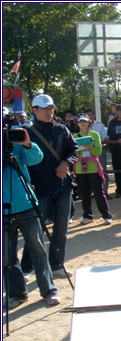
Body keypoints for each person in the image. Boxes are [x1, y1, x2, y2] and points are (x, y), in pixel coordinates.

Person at [3, 124, 61, 307]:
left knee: (38, 249)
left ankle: (49, 290)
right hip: (4, 209)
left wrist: (27, 144)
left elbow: (36, 158)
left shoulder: (16, 143)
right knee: (7, 255)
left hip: (26, 204)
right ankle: (16, 293)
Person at [24, 94, 78, 279]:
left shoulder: (62, 129)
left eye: (51, 108)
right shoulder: (27, 133)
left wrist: (66, 163)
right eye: (45, 109)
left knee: (61, 231)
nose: (49, 112)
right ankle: (27, 267)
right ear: (34, 110)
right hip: (39, 189)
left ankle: (57, 264)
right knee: (34, 232)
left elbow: (74, 150)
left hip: (62, 187)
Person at [73, 114, 112, 225]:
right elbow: (73, 152)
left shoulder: (95, 135)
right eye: (80, 122)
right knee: (84, 193)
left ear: (89, 123)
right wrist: (80, 149)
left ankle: (106, 215)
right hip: (81, 168)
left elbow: (98, 151)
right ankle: (87, 215)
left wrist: (89, 148)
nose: (83, 123)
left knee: (99, 192)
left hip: (93, 167)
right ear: (78, 124)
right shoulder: (75, 137)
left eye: (85, 121)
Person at [84, 109, 110, 198]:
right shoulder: (82, 126)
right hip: (87, 153)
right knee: (89, 171)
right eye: (87, 115)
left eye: (91, 115)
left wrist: (106, 139)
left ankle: (104, 191)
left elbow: (105, 136)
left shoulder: (100, 125)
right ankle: (91, 191)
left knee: (103, 170)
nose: (90, 117)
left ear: (94, 115)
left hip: (100, 151)